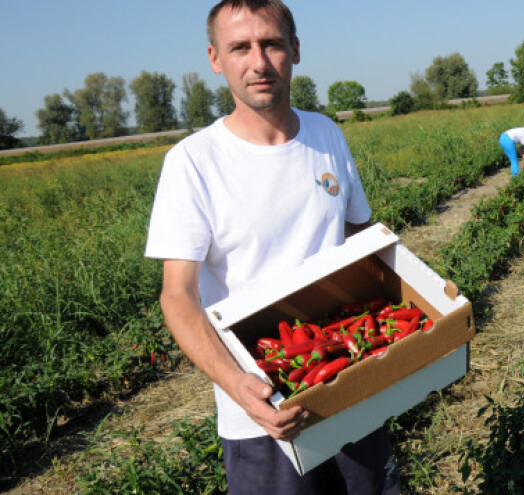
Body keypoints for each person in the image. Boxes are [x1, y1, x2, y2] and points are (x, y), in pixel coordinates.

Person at [144, 1, 400, 493]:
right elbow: (177, 295)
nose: (258, 63)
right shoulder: (193, 163)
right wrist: (237, 386)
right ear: (216, 58)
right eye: (240, 47)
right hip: (263, 412)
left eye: (271, 44)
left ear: (295, 50)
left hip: (349, 378)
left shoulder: (327, 134)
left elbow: (364, 242)